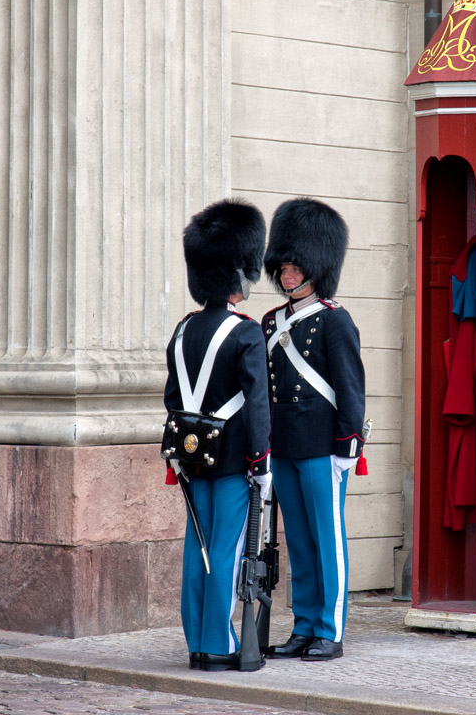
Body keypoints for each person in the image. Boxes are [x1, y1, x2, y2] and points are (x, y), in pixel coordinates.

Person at [164, 199, 272, 672]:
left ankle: (195, 644)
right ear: (237, 276)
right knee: (225, 551)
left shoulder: (183, 329)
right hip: (232, 460)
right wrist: (261, 460)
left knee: (197, 549)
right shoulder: (246, 333)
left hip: (191, 458)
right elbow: (258, 405)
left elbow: (172, 398)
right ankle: (219, 645)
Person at [259, 197, 367, 662]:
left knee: (328, 539)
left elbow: (350, 386)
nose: (286, 275)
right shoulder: (270, 322)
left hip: (324, 447)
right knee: (299, 543)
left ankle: (330, 628)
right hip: (284, 445)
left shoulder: (334, 320)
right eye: (282, 266)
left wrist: (349, 443)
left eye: (295, 267)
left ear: (315, 268)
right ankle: (303, 626)